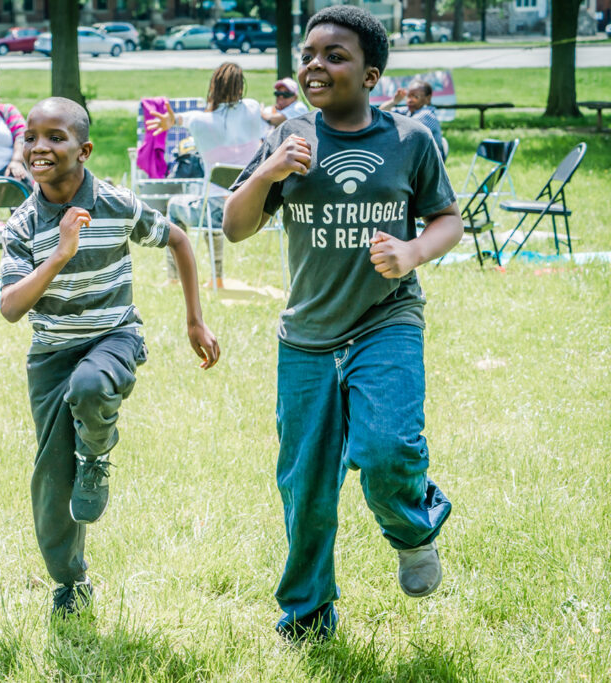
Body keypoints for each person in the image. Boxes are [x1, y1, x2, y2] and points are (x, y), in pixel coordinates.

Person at [222, 5, 461, 644]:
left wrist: (411, 252)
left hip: (386, 320)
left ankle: (411, 526)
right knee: (305, 485)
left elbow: (448, 219)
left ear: (372, 74)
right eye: (308, 56)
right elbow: (234, 227)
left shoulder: (410, 139)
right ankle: (307, 614)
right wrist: (269, 173)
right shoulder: (288, 138)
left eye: (335, 56)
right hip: (305, 336)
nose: (315, 66)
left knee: (386, 449)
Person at [0, 97, 220, 616]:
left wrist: (194, 319)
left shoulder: (117, 204)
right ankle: (70, 581)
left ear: (85, 149)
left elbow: (180, 240)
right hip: (51, 355)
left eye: (56, 137)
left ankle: (95, 455)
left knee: (91, 386)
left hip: (113, 339)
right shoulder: (24, 224)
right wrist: (59, 254)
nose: (39, 147)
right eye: (31, 137)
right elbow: (10, 307)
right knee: (52, 483)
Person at [145, 62, 267, 287]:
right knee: (212, 202)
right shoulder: (252, 108)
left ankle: (176, 278)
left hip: (217, 211)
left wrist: (172, 121)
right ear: (241, 88)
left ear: (213, 87)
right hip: (257, 209)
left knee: (176, 206)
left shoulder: (198, 121)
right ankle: (216, 278)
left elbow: (181, 119)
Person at [380, 78, 446, 160]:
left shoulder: (427, 114)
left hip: (431, 160)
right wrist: (394, 101)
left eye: (415, 97)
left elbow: (406, 133)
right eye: (408, 96)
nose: (410, 100)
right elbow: (381, 112)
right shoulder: (409, 111)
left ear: (427, 99)